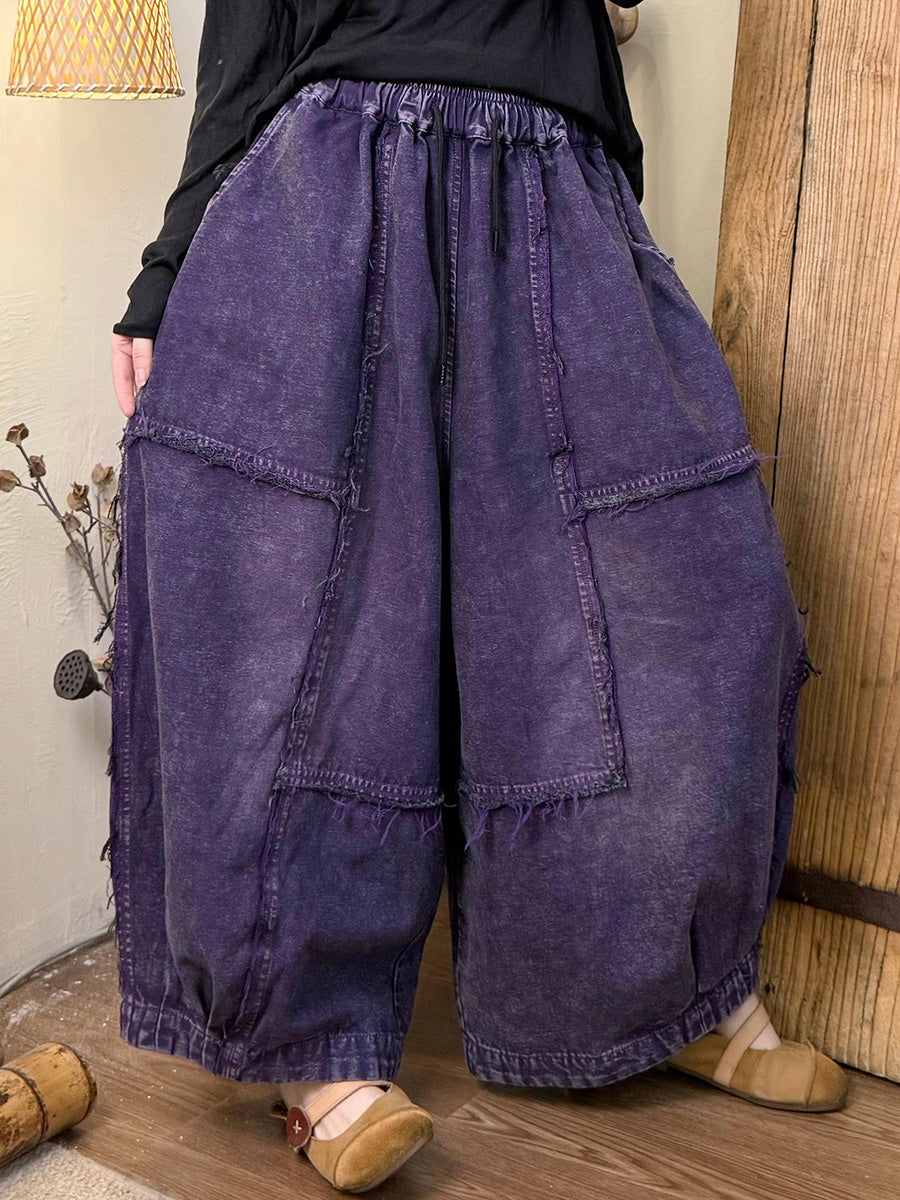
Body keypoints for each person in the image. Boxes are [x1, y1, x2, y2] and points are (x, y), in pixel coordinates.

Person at [108, 2, 848, 1192]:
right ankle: (314, 1053)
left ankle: (659, 990)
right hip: (330, 180)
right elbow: (248, 33)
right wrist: (165, 274)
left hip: (557, 184)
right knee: (314, 629)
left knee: (666, 595)